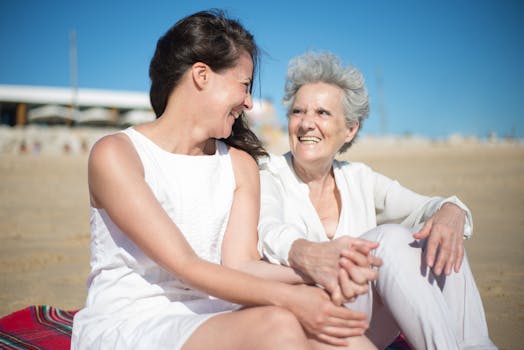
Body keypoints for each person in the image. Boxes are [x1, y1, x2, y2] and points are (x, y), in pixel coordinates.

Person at [71, 11, 378, 350]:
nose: (248, 101)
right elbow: (186, 265)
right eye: (244, 85)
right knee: (282, 322)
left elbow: (243, 265)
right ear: (201, 75)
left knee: (344, 339)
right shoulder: (117, 155)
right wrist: (290, 299)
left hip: (217, 315)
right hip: (133, 321)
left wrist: (322, 269)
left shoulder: (239, 164)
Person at [258, 51, 498, 350]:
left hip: (364, 321)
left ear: (350, 129)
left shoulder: (358, 177)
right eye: (298, 112)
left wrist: (452, 210)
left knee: (441, 238)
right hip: (309, 320)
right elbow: (268, 230)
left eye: (322, 113)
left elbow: (426, 207)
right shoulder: (269, 172)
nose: (306, 123)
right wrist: (306, 252)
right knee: (389, 239)